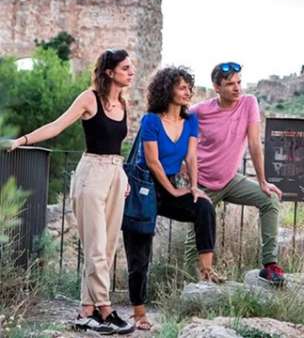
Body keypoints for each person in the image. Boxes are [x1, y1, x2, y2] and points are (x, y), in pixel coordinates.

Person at [6, 49, 136, 335]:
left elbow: (117, 147)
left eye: (131, 67)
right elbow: (57, 126)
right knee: (96, 247)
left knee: (107, 247)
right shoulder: (89, 98)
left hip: (116, 174)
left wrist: (123, 174)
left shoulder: (124, 103)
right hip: (91, 175)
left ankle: (85, 313)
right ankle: (105, 310)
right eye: (126, 67)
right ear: (109, 72)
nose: (132, 71)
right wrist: (21, 140)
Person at [122, 66, 223, 331]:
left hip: (170, 187)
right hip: (144, 188)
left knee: (203, 207)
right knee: (139, 254)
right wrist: (174, 190)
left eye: (189, 86)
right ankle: (139, 312)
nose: (187, 91)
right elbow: (153, 162)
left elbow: (190, 157)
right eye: (182, 86)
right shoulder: (151, 121)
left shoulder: (190, 121)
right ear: (167, 90)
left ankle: (206, 270)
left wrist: (193, 187)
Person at [185, 62, 286, 285]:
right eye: (230, 84)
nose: (237, 88)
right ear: (216, 87)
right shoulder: (200, 110)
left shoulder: (248, 103)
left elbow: (254, 144)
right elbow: (176, 129)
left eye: (239, 82)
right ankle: (190, 286)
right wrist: (184, 169)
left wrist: (262, 181)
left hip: (230, 180)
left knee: (269, 200)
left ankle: (270, 265)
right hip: (203, 184)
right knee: (195, 241)